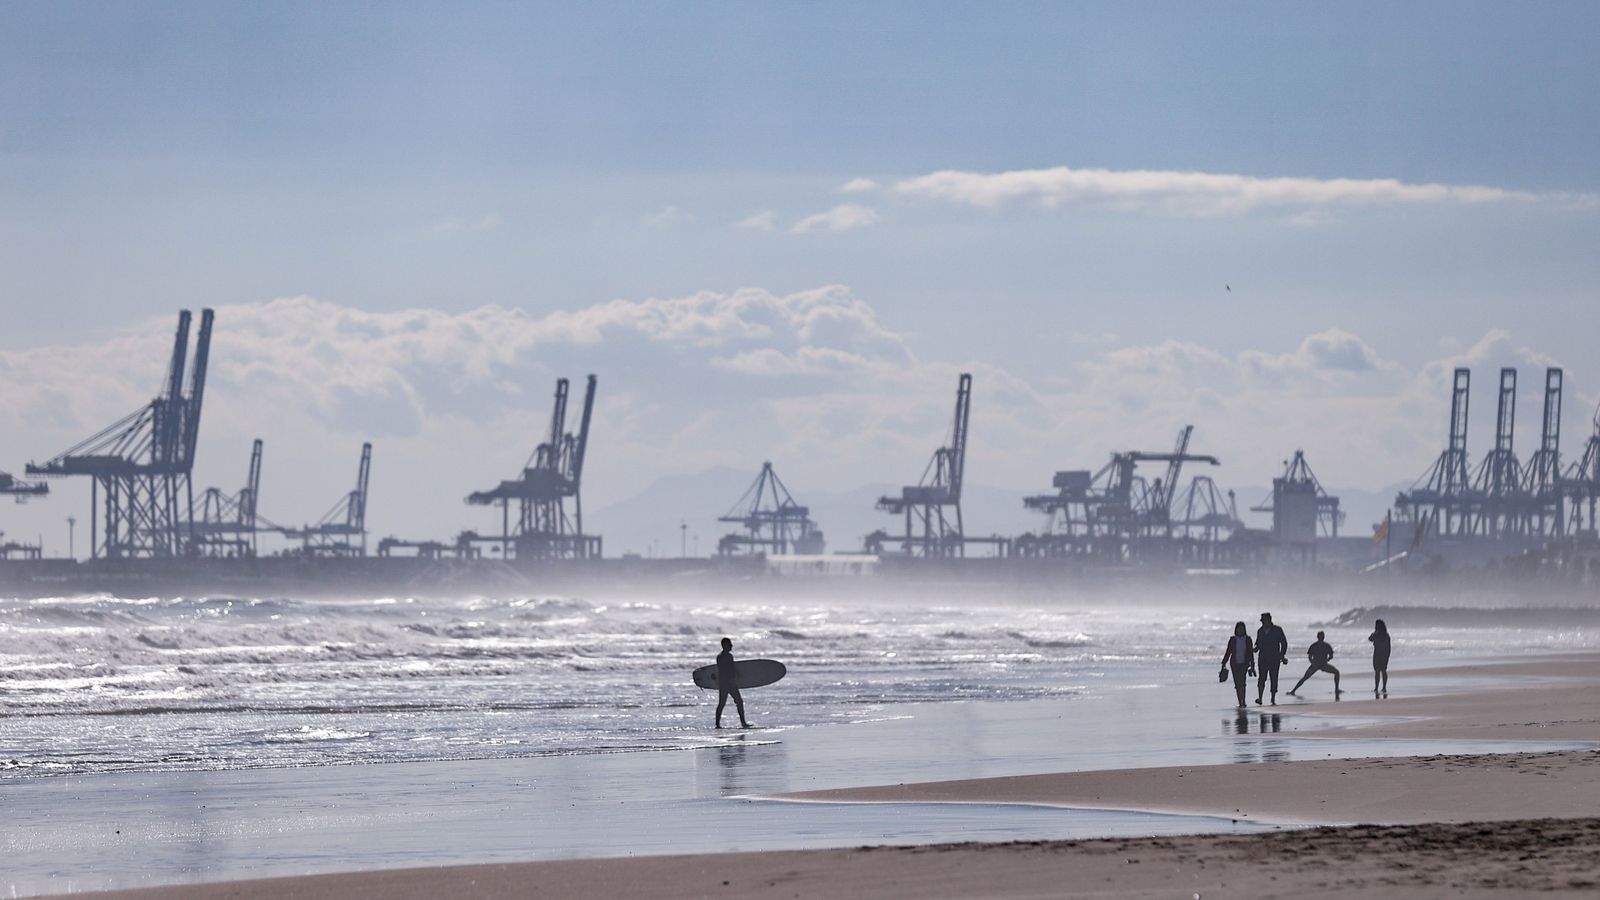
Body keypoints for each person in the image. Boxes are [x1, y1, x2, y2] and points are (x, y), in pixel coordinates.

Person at [1287, 630, 1342, 698]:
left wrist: (1314, 663)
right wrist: (1324, 661)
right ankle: (1336, 689)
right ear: (1323, 637)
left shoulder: (1316, 645)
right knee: (1336, 672)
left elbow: (1310, 657)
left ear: (1317, 637)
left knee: (1305, 678)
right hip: (1321, 665)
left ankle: (1293, 691)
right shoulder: (1324, 645)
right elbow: (1330, 656)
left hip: (1316, 665)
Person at [714, 637, 752, 729]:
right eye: (730, 644)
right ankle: (719, 724)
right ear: (725, 645)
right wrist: (730, 680)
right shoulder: (722, 657)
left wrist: (737, 675)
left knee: (730, 702)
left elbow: (731, 668)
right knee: (733, 702)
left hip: (726, 683)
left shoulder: (726, 656)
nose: (732, 645)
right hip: (727, 683)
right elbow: (724, 671)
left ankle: (718, 724)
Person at [1254, 612, 1289, 705]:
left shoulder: (1277, 630)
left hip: (1274, 658)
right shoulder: (1260, 631)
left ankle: (1273, 699)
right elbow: (1257, 644)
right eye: (1261, 621)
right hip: (1262, 658)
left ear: (1269, 620)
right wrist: (1253, 649)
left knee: (1274, 678)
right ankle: (1260, 698)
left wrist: (1282, 655)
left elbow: (1284, 643)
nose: (1262, 622)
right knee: (1261, 678)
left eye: (1263, 620)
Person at [1219, 622, 1255, 708]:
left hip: (1244, 663)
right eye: (1239, 629)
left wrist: (1252, 664)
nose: (1240, 630)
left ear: (1244, 629)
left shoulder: (1248, 639)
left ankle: (1244, 701)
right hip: (1234, 664)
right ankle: (1240, 701)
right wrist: (1224, 662)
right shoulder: (1232, 639)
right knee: (1237, 683)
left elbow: (1250, 653)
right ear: (1236, 629)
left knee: (1242, 682)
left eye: (1242, 629)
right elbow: (1228, 651)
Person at [1369, 619, 1391, 695]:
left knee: (1377, 671)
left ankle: (1377, 687)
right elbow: (1388, 647)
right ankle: (1384, 687)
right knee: (1383, 671)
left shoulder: (1377, 634)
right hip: (1383, 654)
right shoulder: (1386, 635)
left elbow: (1370, 638)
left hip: (1378, 654)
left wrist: (1374, 633)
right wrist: (1388, 655)